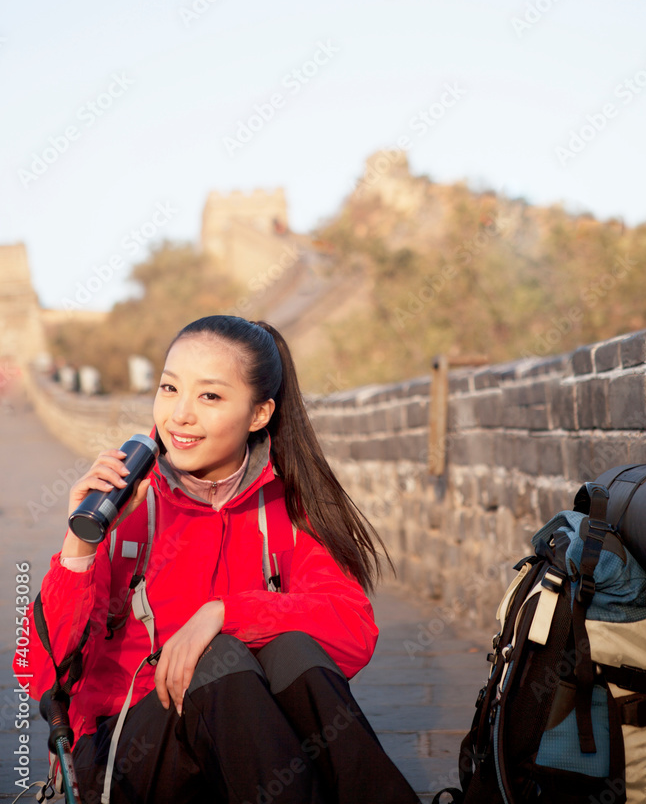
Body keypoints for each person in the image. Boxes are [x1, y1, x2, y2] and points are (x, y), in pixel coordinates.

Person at [20, 315, 420, 804]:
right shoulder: (125, 502)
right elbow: (38, 672)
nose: (179, 415)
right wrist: (80, 546)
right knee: (220, 660)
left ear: (259, 413)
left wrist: (226, 613)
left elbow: (353, 629)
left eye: (209, 396)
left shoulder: (285, 510)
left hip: (247, 750)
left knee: (291, 648)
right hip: (124, 756)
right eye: (169, 388)